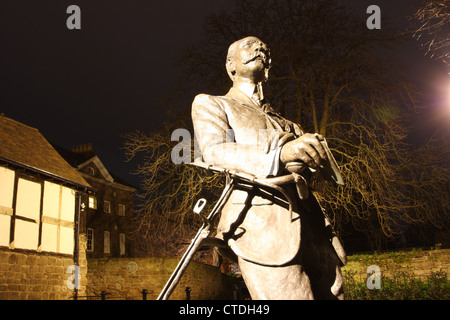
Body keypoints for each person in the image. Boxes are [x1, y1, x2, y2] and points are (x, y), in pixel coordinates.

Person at [192, 36, 346, 299]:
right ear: (230, 65)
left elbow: (316, 181)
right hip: (260, 227)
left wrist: (315, 162)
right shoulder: (213, 103)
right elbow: (214, 151)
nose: (259, 49)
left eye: (263, 48)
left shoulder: (288, 123)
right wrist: (280, 155)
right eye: (249, 46)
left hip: (311, 226)